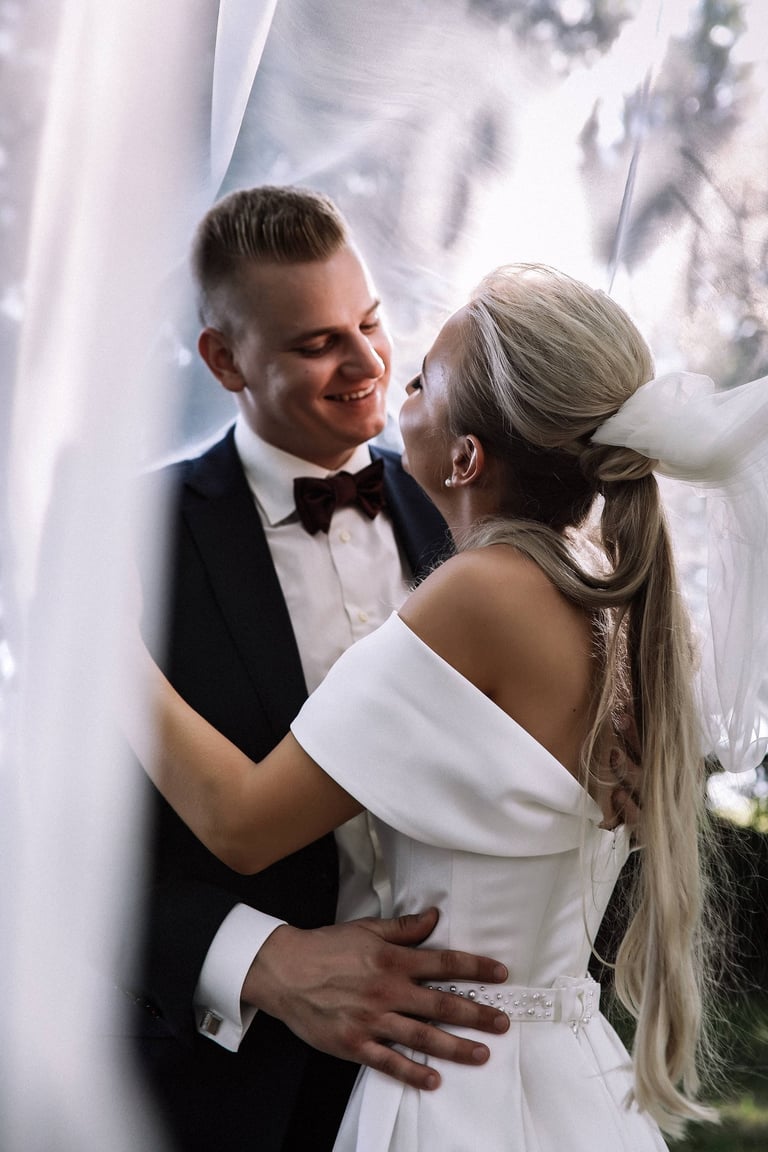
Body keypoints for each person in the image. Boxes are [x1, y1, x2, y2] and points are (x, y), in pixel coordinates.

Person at [123, 261, 764, 1149]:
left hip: (457, 1086)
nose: (395, 384)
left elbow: (242, 822)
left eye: (424, 380)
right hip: (571, 1068)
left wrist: (102, 648)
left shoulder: (480, 594)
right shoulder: (617, 604)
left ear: (466, 459)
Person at [125, 186, 515, 1152]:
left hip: (470, 1073)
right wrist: (261, 961)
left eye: (371, 323)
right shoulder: (127, 544)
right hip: (225, 1092)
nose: (369, 364)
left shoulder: (480, 518)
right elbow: (56, 845)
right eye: (316, 344)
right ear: (224, 360)